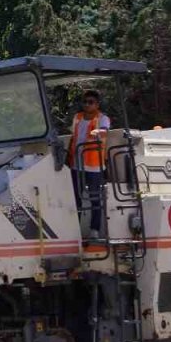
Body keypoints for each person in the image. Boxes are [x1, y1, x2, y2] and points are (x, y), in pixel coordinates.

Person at [68, 89, 111, 237]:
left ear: (97, 104)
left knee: (95, 198)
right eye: (85, 102)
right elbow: (73, 138)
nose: (87, 105)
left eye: (90, 102)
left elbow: (105, 131)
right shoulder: (77, 117)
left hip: (94, 166)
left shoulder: (102, 118)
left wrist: (98, 132)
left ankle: (95, 230)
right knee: (76, 199)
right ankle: (74, 231)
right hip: (76, 165)